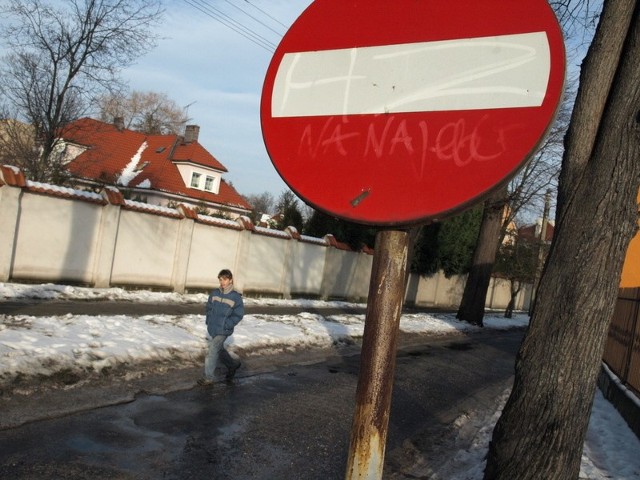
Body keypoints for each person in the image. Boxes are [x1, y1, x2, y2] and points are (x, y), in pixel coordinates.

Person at [198, 269, 244, 385]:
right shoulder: (215, 293)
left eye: (225, 279)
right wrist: (209, 320)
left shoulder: (235, 297)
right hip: (213, 327)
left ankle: (209, 377)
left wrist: (227, 324)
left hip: (224, 329)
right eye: (220, 279)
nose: (222, 282)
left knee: (213, 350)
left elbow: (238, 314)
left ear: (230, 280)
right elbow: (208, 308)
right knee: (219, 350)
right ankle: (233, 365)